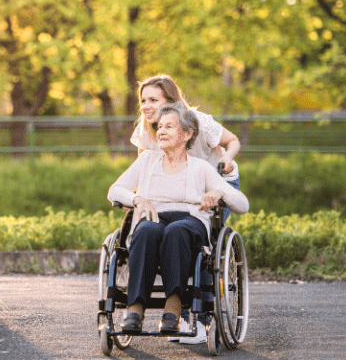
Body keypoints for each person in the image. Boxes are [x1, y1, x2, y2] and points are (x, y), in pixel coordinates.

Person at [107, 104, 249, 337]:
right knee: (146, 232)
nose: (161, 131)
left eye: (169, 126)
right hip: (153, 217)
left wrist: (220, 194)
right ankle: (135, 308)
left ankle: (173, 307)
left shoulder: (201, 168)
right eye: (160, 126)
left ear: (187, 134)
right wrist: (138, 199)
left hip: (190, 221)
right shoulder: (147, 161)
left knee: (176, 231)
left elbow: (242, 204)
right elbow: (115, 190)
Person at [132, 74, 243, 344]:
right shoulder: (147, 129)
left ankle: (202, 319)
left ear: (172, 101)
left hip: (215, 184)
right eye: (143, 100)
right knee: (160, 232)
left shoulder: (199, 121)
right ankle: (174, 313)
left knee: (200, 243)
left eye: (153, 100)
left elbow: (233, 141)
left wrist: (226, 159)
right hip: (175, 194)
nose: (146, 106)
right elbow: (145, 170)